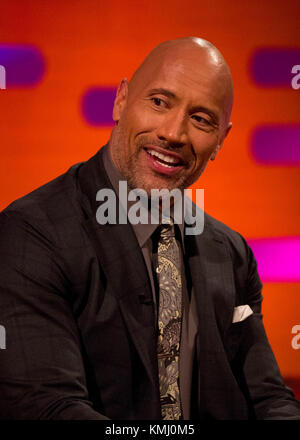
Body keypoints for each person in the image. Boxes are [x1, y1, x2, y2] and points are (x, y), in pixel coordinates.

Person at [0, 36, 299, 420]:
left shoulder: (231, 251)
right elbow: (49, 407)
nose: (173, 134)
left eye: (201, 119)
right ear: (121, 100)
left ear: (221, 140)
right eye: (159, 102)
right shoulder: (30, 234)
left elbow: (269, 399)